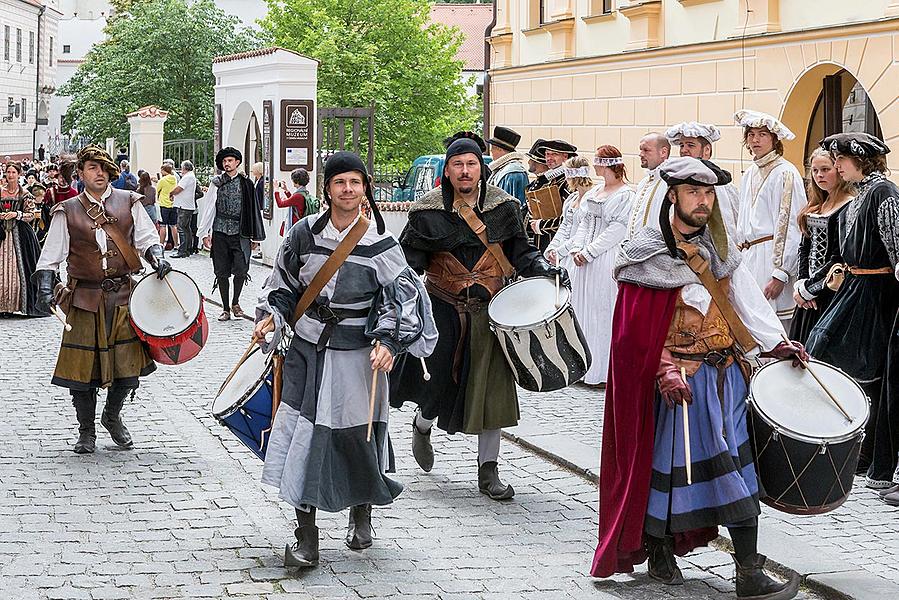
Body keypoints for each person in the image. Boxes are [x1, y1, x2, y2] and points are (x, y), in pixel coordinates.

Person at [592, 156, 805, 600]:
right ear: (673, 196)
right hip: (680, 389)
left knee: (738, 472)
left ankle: (735, 569)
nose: (702, 201)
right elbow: (632, 336)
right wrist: (665, 369)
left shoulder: (720, 253)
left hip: (727, 380)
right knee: (684, 474)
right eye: (693, 192)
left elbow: (746, 303)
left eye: (708, 193)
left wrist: (777, 342)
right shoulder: (645, 256)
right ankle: (676, 555)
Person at [253, 151, 436, 568]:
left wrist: (389, 341)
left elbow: (403, 297)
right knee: (304, 439)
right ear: (328, 188)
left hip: (359, 356)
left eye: (355, 182)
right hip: (307, 352)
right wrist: (274, 316)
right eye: (340, 182)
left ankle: (361, 511)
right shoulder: (303, 233)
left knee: (358, 436)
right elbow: (281, 283)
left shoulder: (381, 244)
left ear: (365, 187)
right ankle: (306, 535)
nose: (348, 190)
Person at [391, 137, 569, 500]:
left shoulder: (504, 208)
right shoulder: (426, 212)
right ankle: (422, 425)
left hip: (492, 311)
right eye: (458, 164)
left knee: (493, 393)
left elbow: (523, 253)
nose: (465, 170)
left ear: (481, 168)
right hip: (443, 309)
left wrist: (546, 272)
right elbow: (410, 265)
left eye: (471, 163)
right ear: (448, 170)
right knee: (435, 385)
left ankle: (489, 470)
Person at [32, 146, 170, 454]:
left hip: (123, 297)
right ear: (80, 173)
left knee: (128, 368)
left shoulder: (129, 202)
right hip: (83, 298)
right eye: (92, 168)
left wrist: (157, 256)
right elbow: (51, 254)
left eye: (103, 168)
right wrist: (44, 283)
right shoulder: (67, 210)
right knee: (82, 371)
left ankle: (112, 415)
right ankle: (87, 431)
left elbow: (147, 238)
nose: (99, 173)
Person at [806, 133, 899, 489]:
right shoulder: (862, 194)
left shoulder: (882, 193)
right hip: (856, 286)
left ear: (862, 160)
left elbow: (895, 249)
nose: (837, 165)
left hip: (876, 292)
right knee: (821, 344)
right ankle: (849, 442)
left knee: (864, 366)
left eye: (842, 159)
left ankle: (866, 450)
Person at [733, 110, 808, 329]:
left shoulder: (785, 173)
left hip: (770, 259)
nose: (755, 139)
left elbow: (792, 225)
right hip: (748, 258)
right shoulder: (749, 174)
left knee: (775, 328)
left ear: (774, 139)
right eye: (751, 134)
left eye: (762, 134)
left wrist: (781, 272)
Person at [567, 146, 634, 386]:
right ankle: (583, 367)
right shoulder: (596, 190)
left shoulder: (625, 195)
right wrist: (577, 248)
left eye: (597, 161)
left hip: (605, 257)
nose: (594, 166)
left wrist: (590, 251)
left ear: (606, 164)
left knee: (601, 312)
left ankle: (603, 372)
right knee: (582, 309)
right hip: (584, 258)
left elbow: (618, 229)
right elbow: (584, 221)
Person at [790, 148, 853, 343]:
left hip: (832, 292)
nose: (819, 175)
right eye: (815, 171)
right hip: (808, 295)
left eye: (825, 169)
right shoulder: (817, 206)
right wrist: (801, 283)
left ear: (838, 170)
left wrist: (810, 289)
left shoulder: (849, 206)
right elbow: (804, 248)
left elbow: (839, 256)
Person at [197, 147, 265, 321]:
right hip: (219, 231)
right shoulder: (216, 183)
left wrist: (255, 236)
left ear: (237, 163)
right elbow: (209, 208)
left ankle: (236, 302)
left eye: (230, 161)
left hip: (240, 232)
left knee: (241, 270)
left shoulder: (246, 183)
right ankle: (226, 307)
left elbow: (253, 210)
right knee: (221, 272)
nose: (227, 164)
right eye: (224, 161)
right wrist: (204, 233)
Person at [665, 122, 739, 229]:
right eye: (682, 145)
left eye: (691, 145)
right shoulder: (675, 182)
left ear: (707, 150)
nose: (684, 150)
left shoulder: (726, 188)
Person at [0, 162, 47, 316]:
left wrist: (16, 214)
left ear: (19, 174)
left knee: (20, 268)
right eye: (8, 172)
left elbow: (31, 214)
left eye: (13, 172)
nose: (10, 175)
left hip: (20, 234)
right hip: (1, 232)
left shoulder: (25, 194)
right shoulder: (0, 192)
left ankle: (16, 304)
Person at [525, 139, 577, 252]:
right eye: (547, 154)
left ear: (565, 157)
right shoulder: (549, 180)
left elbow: (569, 218)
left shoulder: (568, 182)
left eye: (554, 154)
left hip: (558, 243)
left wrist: (541, 225)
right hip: (543, 241)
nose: (549, 158)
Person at [626, 132, 671, 238]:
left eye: (646, 150)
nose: (641, 154)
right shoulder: (643, 182)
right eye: (640, 150)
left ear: (663, 152)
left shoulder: (669, 183)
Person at [485, 126, 528, 206]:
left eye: (493, 148)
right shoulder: (504, 169)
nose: (491, 151)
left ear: (500, 149)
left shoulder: (511, 172)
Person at [169, 161, 198, 259]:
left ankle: (182, 251)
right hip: (187, 205)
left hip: (184, 206)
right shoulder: (191, 176)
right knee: (186, 228)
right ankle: (188, 249)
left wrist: (171, 193)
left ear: (185, 168)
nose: (181, 169)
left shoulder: (187, 177)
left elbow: (179, 188)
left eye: (181, 167)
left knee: (181, 228)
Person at [274, 168, 312, 233]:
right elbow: (294, 202)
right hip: (301, 225)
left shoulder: (298, 196)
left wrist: (276, 190)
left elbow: (280, 204)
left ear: (296, 181)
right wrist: (286, 190)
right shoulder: (304, 193)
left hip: (296, 227)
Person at [156, 164, 179, 250]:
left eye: (161, 170)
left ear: (164, 170)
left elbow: (157, 190)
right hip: (173, 204)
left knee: (163, 225)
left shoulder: (163, 180)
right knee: (173, 226)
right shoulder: (174, 179)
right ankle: (176, 245)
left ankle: (161, 244)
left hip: (164, 204)